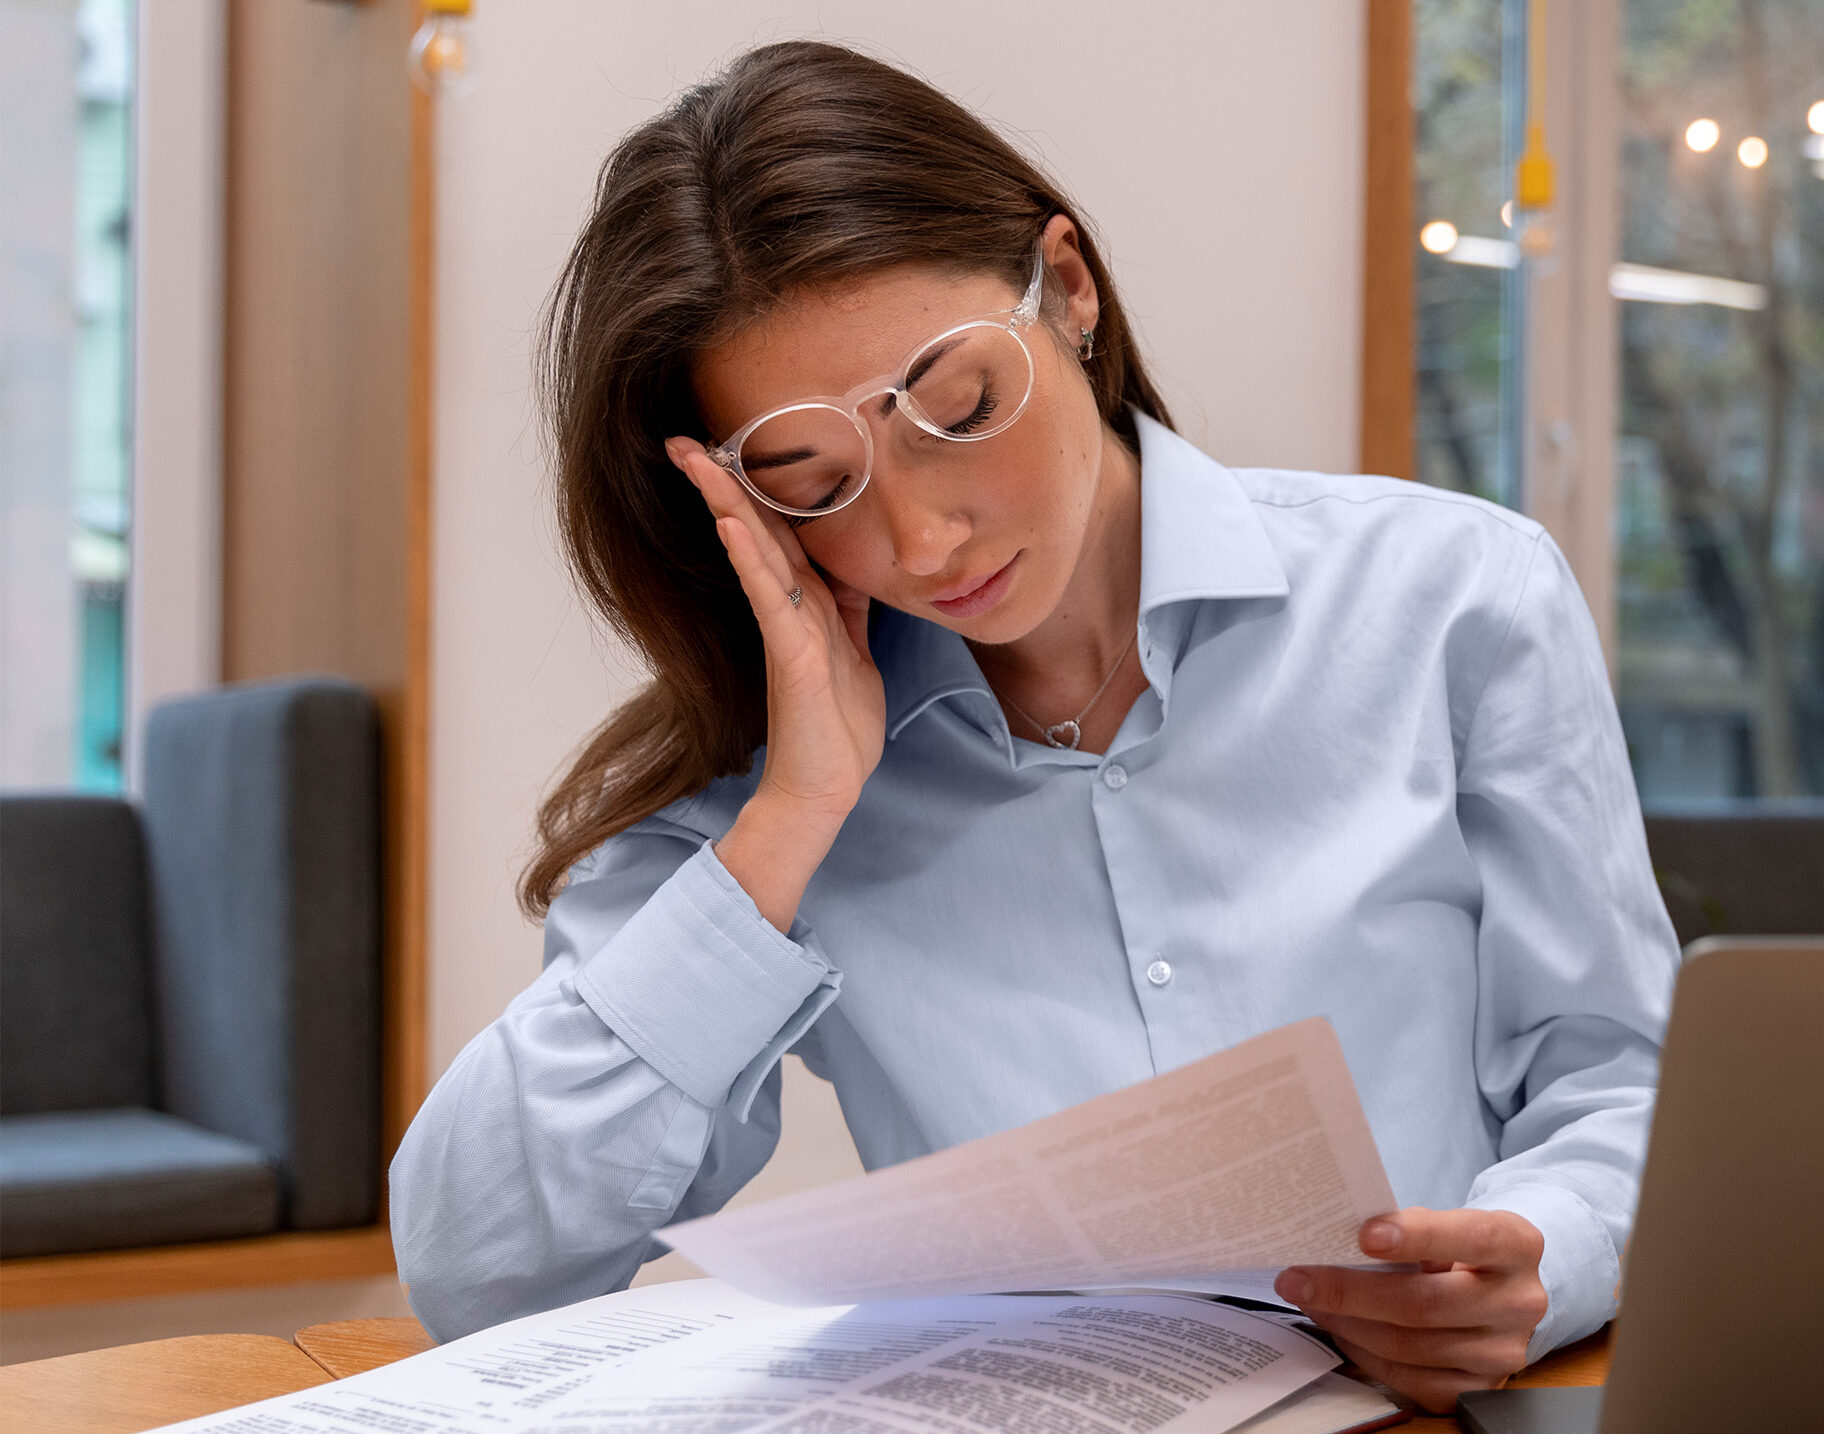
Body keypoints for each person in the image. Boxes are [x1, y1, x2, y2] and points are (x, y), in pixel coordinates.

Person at [390, 40, 1676, 1414]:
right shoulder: (770, 780)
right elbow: (480, 1269)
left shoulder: (1451, 597)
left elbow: (1623, 1076)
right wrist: (788, 827)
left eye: (958, 408)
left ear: (1068, 290)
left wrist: (1540, 1256)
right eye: (814, 481)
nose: (922, 533)